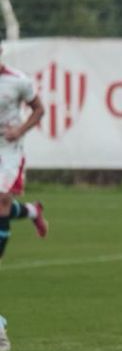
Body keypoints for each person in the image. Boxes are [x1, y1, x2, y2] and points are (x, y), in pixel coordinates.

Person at [0, 42, 49, 266]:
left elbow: (39, 109)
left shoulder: (18, 80)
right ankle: (32, 211)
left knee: (1, 200)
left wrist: (19, 130)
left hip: (9, 149)